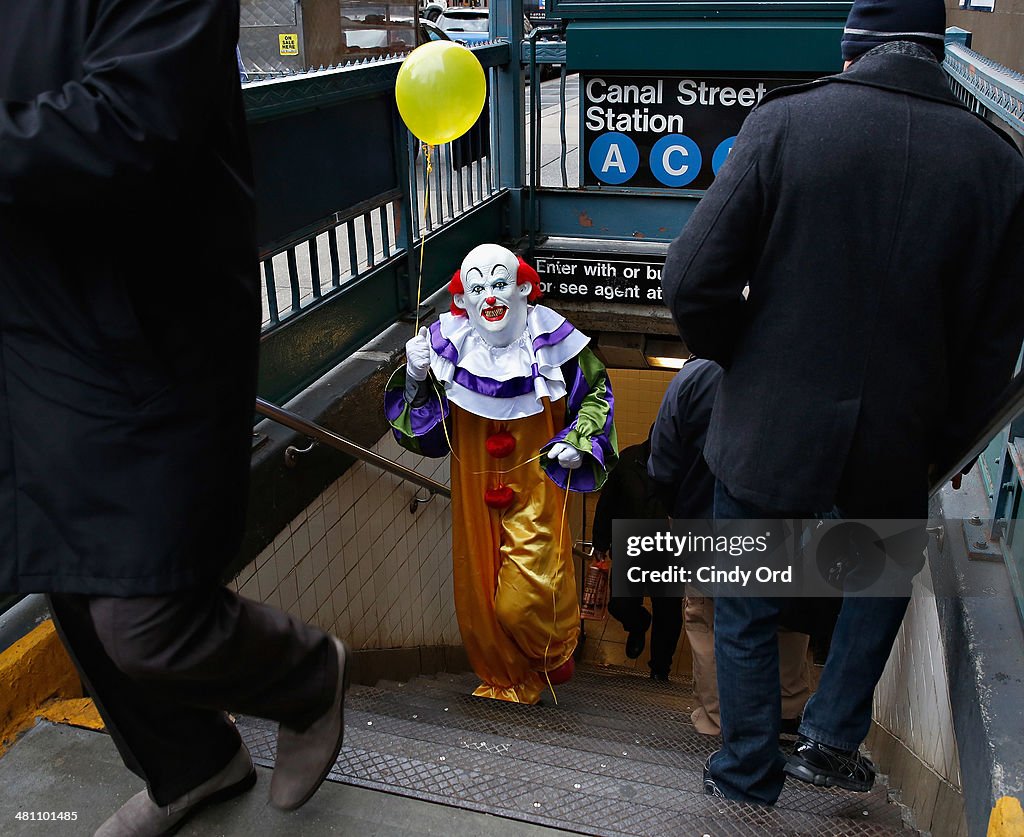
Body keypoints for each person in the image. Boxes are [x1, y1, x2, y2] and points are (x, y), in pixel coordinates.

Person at [662, 0, 1024, 806]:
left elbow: (689, 279)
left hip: (769, 420)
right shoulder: (998, 164)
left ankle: (746, 773)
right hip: (903, 427)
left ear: (852, 51)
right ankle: (829, 736)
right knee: (880, 565)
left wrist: (741, 357)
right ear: (938, 53)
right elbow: (995, 347)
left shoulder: (788, 124)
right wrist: (946, 438)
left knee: (745, 598)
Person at [0, 2, 348, 834]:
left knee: (146, 615)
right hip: (34, 326)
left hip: (144, 334)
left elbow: (130, 126)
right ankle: (193, 763)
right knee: (72, 580)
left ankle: (307, 674)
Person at [386, 243, 618, 704]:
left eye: (498, 283)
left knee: (524, 596)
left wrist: (578, 439)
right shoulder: (448, 346)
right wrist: (414, 380)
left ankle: (551, 654)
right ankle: (506, 681)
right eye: (477, 288)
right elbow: (426, 433)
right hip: (475, 486)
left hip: (536, 487)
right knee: (477, 594)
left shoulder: (553, 342)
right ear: (463, 301)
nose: (489, 296)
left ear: (523, 288)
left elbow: (596, 395)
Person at [647, 358, 811, 735]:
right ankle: (786, 709)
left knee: (707, 618)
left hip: (703, 520)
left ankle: (721, 719)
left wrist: (678, 510)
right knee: (783, 616)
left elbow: (662, 463)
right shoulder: (796, 365)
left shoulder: (693, 377)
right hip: (784, 518)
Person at [590, 431, 681, 681]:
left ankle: (660, 669)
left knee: (668, 615)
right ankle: (639, 624)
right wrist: (600, 541)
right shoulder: (628, 461)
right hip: (632, 544)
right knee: (620, 605)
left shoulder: (684, 467)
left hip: (668, 550)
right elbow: (606, 504)